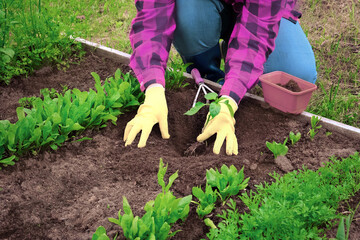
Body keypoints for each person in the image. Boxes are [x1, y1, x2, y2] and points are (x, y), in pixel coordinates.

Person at [123, 0, 317, 155]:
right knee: (188, 14)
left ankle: (233, 74)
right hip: (203, 5)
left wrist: (229, 100)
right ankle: (211, 79)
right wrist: (153, 87)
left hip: (262, 13)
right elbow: (152, 18)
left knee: (296, 74)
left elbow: (256, 36)